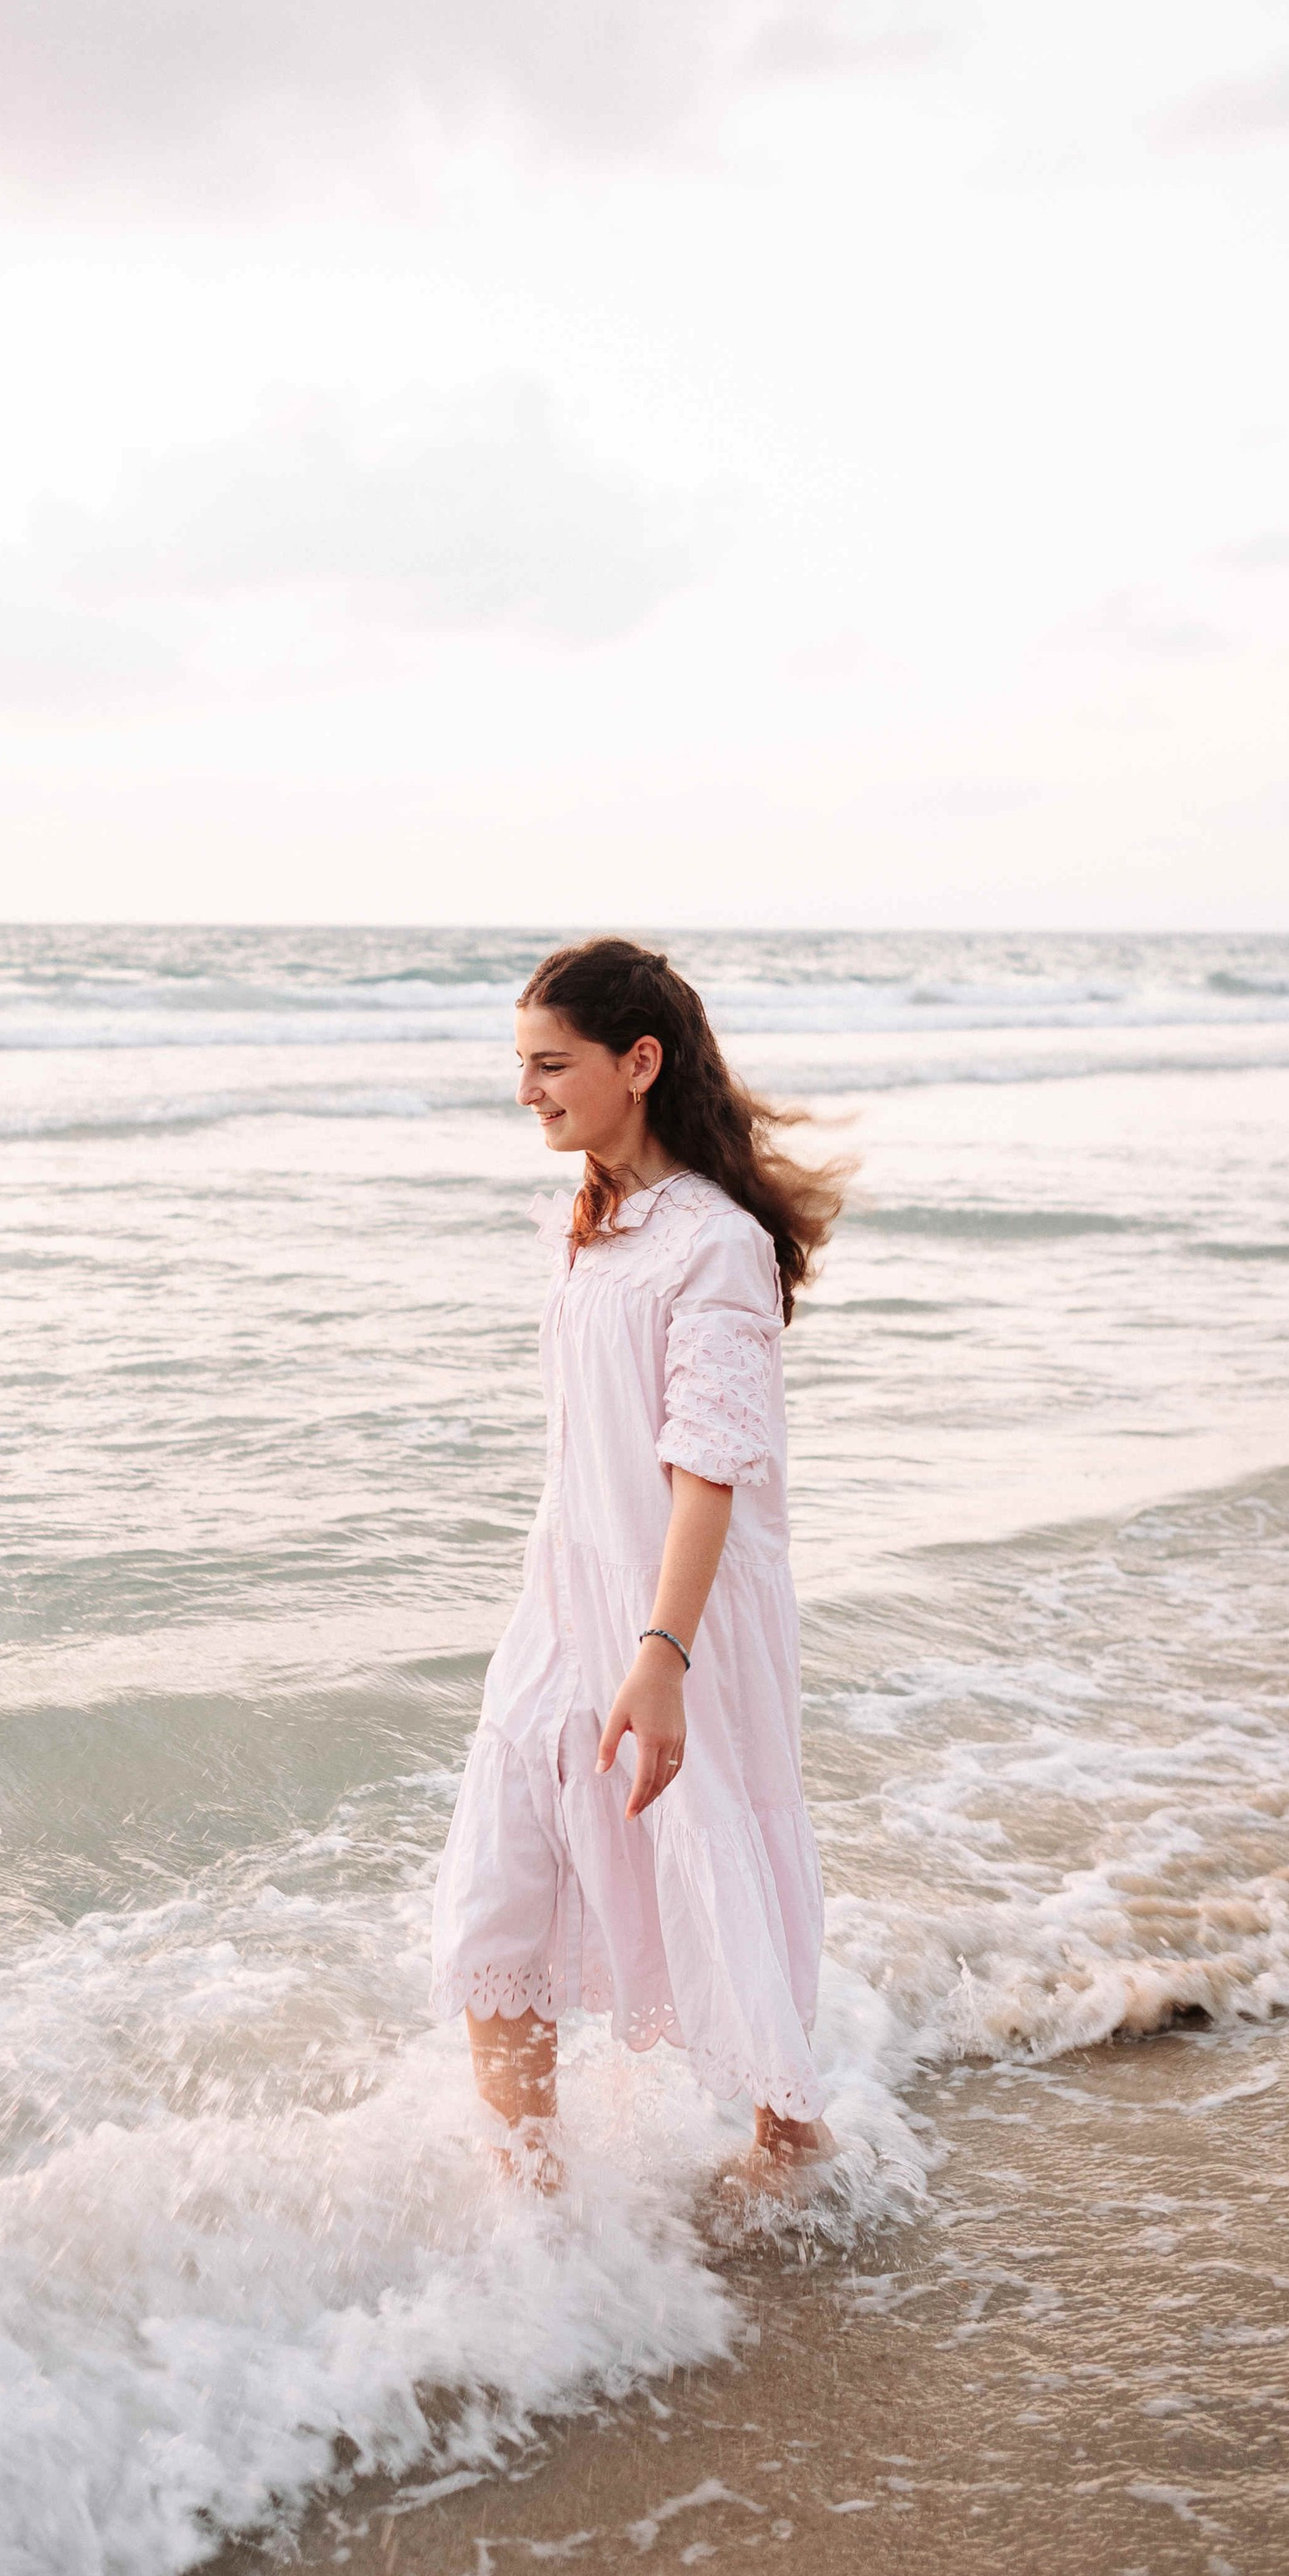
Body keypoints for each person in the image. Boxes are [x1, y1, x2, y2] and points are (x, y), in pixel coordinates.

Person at [427, 937, 847, 2197]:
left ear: (639, 1062)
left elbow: (710, 1467)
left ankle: (796, 2155)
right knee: (495, 1900)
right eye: (522, 1066)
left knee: (711, 1878)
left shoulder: (714, 1245)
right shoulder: (596, 1224)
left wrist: (661, 1655)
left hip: (679, 1617)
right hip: (560, 1607)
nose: (528, 1092)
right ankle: (533, 2217)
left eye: (552, 1065)